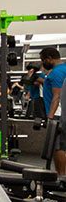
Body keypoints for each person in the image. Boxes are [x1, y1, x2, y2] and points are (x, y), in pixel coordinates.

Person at [39, 47, 66, 175]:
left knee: (58, 147)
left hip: (58, 115)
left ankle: (61, 177)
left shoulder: (57, 72)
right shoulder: (62, 69)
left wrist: (50, 118)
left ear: (49, 59)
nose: (42, 63)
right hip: (61, 113)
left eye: (43, 60)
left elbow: (57, 96)